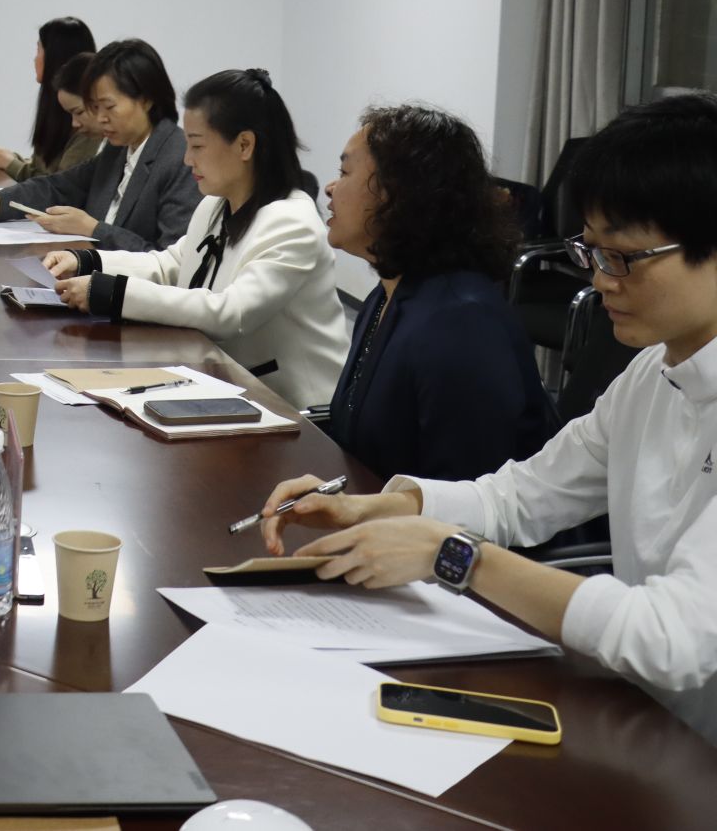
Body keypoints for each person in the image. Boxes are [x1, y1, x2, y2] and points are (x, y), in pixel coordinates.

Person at [257, 94, 717, 746]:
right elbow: (521, 493)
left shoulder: (460, 319)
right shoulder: (652, 372)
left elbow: (672, 637)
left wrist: (453, 554)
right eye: (592, 251)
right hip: (634, 716)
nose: (600, 281)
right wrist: (383, 507)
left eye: (624, 257)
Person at [43, 70, 348, 408]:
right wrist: (88, 261)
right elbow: (170, 264)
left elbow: (231, 313)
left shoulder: (292, 221)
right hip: (224, 384)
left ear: (245, 145)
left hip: (293, 409)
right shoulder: (215, 205)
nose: (188, 159)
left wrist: (113, 293)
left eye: (197, 145)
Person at [320, 104, 556, 482]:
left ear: (398, 194)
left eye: (345, 172)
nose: (330, 188)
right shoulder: (388, 293)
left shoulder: (462, 324)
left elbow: (469, 492)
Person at [0, 38, 200, 251]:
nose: (100, 118)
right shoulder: (119, 150)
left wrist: (92, 229)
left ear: (146, 100)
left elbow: (170, 261)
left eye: (109, 107)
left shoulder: (180, 159)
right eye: (95, 108)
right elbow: (57, 187)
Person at [0, 16, 100, 181]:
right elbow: (43, 170)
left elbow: (59, 185)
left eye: (38, 50)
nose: (35, 59)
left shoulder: (88, 127)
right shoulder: (56, 111)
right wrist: (13, 159)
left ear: (54, 58)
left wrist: (10, 164)